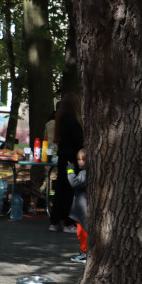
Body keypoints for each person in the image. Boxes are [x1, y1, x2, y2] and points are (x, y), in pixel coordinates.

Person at [51, 93, 83, 233]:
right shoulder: (72, 121)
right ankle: (68, 223)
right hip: (71, 158)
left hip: (63, 157)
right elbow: (78, 141)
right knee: (70, 190)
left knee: (60, 189)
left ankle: (54, 221)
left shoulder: (61, 120)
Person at [67, 149, 89, 263]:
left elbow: (74, 183)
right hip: (81, 206)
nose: (79, 162)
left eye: (81, 160)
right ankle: (84, 251)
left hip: (82, 207)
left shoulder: (84, 173)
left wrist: (70, 171)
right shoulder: (84, 172)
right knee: (81, 230)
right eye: (78, 159)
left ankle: (85, 252)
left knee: (82, 232)